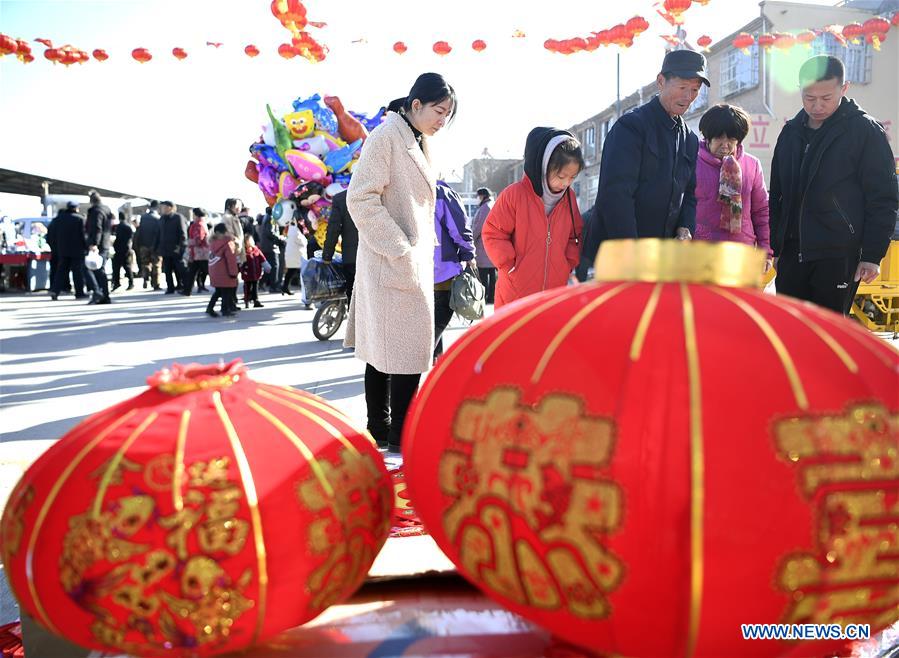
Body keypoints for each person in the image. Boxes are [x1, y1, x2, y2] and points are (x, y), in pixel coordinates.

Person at [346, 72, 456, 453]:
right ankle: (395, 432)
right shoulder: (386, 137)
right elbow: (359, 198)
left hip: (404, 262)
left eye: (448, 115)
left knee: (389, 350)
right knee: (397, 351)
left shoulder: (417, 140)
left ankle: (385, 430)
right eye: (439, 111)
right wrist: (399, 247)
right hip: (390, 261)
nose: (443, 120)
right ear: (416, 105)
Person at [769, 55, 898, 315]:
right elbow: (778, 194)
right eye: (809, 97)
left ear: (844, 88)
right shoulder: (791, 132)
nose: (817, 106)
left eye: (826, 98)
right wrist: (777, 245)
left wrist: (872, 255)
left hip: (838, 253)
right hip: (793, 252)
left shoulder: (865, 131)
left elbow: (883, 197)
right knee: (791, 330)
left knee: (828, 336)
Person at [583, 50, 709, 266]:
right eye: (682, 88)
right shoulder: (631, 127)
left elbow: (688, 193)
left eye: (695, 90)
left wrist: (685, 228)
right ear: (661, 81)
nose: (688, 97)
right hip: (620, 255)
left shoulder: (689, 139)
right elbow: (615, 195)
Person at [483, 129, 584, 308]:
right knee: (514, 335)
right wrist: (510, 265)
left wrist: (567, 265)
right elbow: (493, 232)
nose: (566, 183)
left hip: (553, 294)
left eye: (572, 177)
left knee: (549, 335)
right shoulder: (515, 195)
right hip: (515, 292)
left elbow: (574, 236)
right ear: (543, 166)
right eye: (561, 176)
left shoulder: (569, 198)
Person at [694, 104, 772, 270]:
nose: (725, 145)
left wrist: (766, 250)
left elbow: (761, 211)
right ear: (707, 137)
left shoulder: (752, 165)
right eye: (719, 138)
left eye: (731, 139)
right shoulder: (691, 163)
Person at [433, 181, 475, 359]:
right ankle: (424, 357)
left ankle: (435, 356)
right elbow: (458, 227)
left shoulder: (396, 187)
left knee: (427, 314)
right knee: (442, 311)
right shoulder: (441, 192)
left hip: (407, 268)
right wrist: (468, 253)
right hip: (442, 265)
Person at [322, 189, 358, 304]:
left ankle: (355, 321)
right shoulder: (377, 193)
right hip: (375, 257)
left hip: (351, 257)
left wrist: (327, 256)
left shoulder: (341, 198)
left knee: (353, 299)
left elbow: (333, 230)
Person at [49, 201, 87, 300]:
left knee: (61, 271)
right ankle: (79, 293)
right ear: (75, 208)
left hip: (62, 250)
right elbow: (83, 236)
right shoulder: (79, 219)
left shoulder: (58, 219)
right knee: (77, 272)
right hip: (77, 250)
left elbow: (53, 235)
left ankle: (55, 290)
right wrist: (86, 247)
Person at [84, 190, 114, 304]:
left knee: (89, 268)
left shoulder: (96, 211)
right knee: (100, 270)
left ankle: (98, 292)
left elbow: (97, 228)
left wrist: (94, 244)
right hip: (105, 243)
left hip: (98, 244)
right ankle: (104, 295)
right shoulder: (106, 210)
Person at [206, 223, 238, 317]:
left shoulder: (212, 243)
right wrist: (233, 273)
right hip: (225, 272)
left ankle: (210, 308)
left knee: (218, 291)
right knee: (226, 292)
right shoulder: (228, 243)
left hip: (215, 271)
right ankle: (225, 309)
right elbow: (231, 260)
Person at [471, 187, 496, 304]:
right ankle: (492, 296)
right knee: (492, 272)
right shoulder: (492, 204)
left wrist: (471, 239)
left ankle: (485, 296)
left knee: (484, 273)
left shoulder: (485, 208)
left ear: (482, 195)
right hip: (492, 244)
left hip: (483, 245)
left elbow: (479, 227)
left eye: (478, 196)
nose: (477, 198)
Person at [158, 201, 188, 294]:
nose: (162, 209)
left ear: (170, 207)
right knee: (167, 270)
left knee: (180, 269)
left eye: (164, 207)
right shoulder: (162, 218)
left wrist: (180, 246)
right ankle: (170, 288)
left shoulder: (178, 217)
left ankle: (184, 286)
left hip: (176, 249)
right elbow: (159, 233)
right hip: (165, 249)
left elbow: (183, 234)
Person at [184, 207, 210, 294]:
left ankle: (221, 287)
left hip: (198, 252)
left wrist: (189, 242)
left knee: (201, 270)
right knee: (193, 271)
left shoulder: (198, 224)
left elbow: (198, 239)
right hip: (201, 252)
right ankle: (187, 290)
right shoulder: (203, 223)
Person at [258, 207, 284, 294]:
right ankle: (273, 286)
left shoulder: (266, 217)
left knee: (269, 267)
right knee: (274, 266)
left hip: (267, 246)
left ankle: (262, 283)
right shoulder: (271, 218)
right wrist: (280, 239)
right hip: (271, 247)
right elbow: (270, 232)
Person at [282, 214, 308, 299]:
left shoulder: (290, 229)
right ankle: (304, 290)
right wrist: (306, 239)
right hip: (297, 255)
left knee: (291, 271)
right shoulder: (295, 230)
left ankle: (285, 287)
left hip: (293, 254)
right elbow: (302, 241)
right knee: (302, 272)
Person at [240, 235, 268, 308]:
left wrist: (267, 266)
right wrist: (242, 270)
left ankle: (256, 300)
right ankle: (246, 300)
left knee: (255, 286)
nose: (248, 243)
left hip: (256, 272)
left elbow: (262, 258)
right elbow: (240, 262)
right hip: (247, 273)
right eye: (246, 241)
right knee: (247, 287)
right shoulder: (243, 251)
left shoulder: (255, 249)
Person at [111, 210, 135, 290]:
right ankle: (130, 282)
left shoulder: (119, 227)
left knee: (117, 267)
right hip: (126, 248)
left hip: (120, 249)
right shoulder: (128, 226)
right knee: (126, 266)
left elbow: (118, 238)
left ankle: (117, 282)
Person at [222, 198, 246, 265]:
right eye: (237, 205)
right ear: (230, 206)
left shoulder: (234, 217)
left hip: (236, 251)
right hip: (232, 251)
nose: (239, 208)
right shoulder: (227, 218)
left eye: (240, 205)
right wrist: (238, 242)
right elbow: (228, 234)